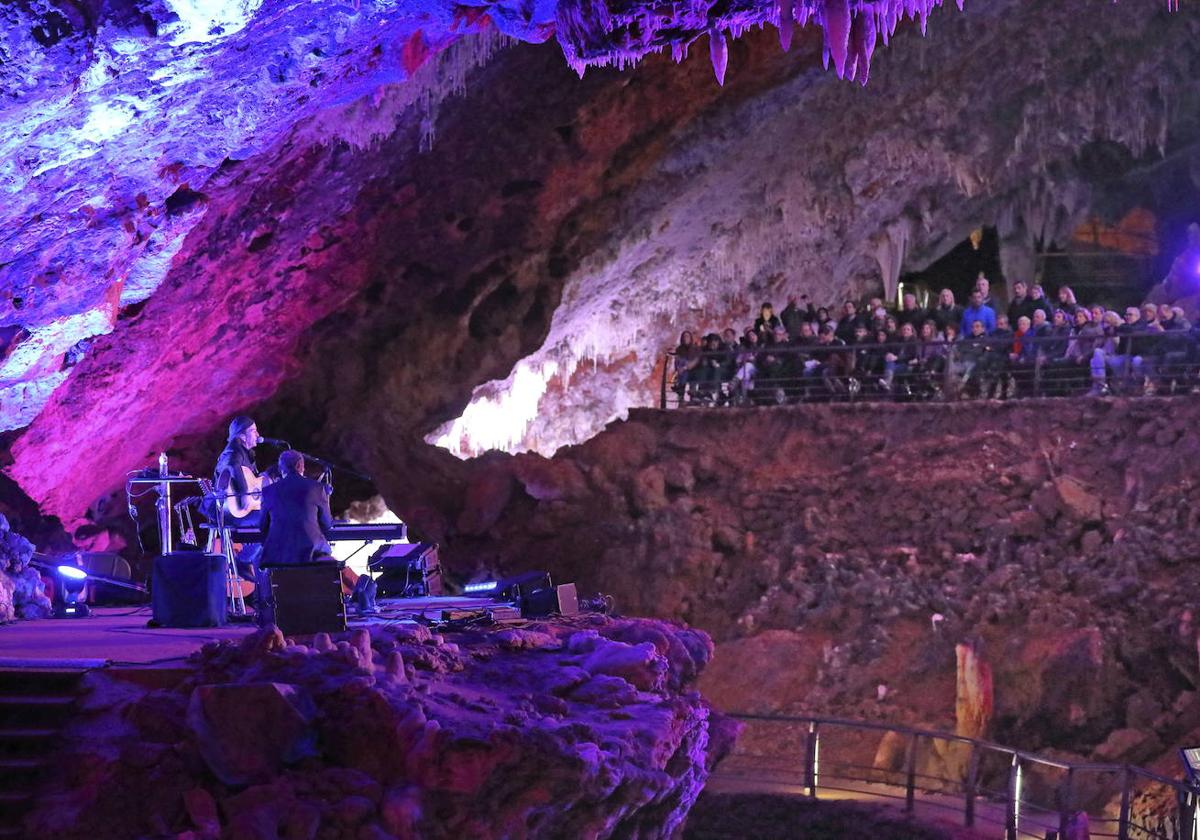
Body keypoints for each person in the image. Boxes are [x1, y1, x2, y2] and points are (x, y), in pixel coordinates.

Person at [259, 450, 335, 567]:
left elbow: (262, 526)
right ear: (300, 466)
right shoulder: (318, 488)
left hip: (277, 555)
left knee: (258, 559)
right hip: (311, 552)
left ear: (281, 469)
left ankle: (264, 584)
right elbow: (327, 524)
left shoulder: (268, 491)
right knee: (330, 559)